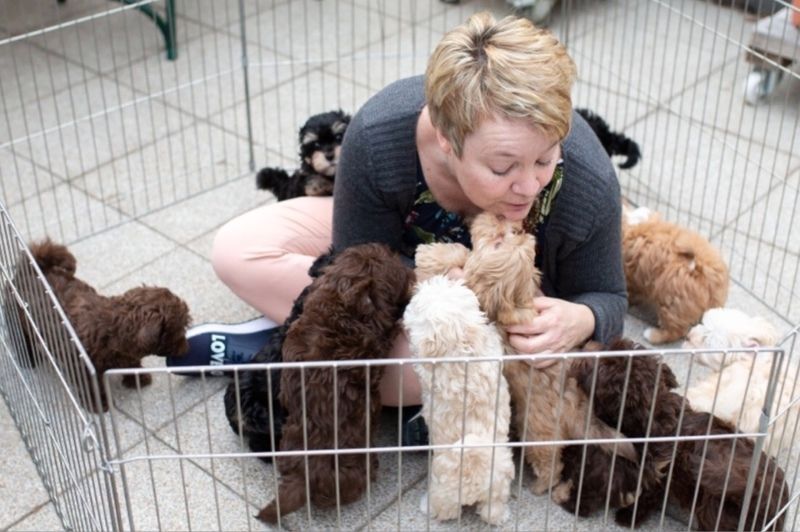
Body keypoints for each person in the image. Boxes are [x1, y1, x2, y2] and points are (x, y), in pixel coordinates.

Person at [210, 11, 626, 414]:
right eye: (502, 167)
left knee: (429, 372)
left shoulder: (588, 180)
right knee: (236, 250)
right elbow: (354, 266)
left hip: (492, 316)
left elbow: (609, 295)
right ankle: (303, 343)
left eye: (545, 158)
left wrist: (582, 318)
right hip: (399, 269)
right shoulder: (378, 137)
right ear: (447, 139)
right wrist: (435, 278)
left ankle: (286, 342)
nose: (530, 186)